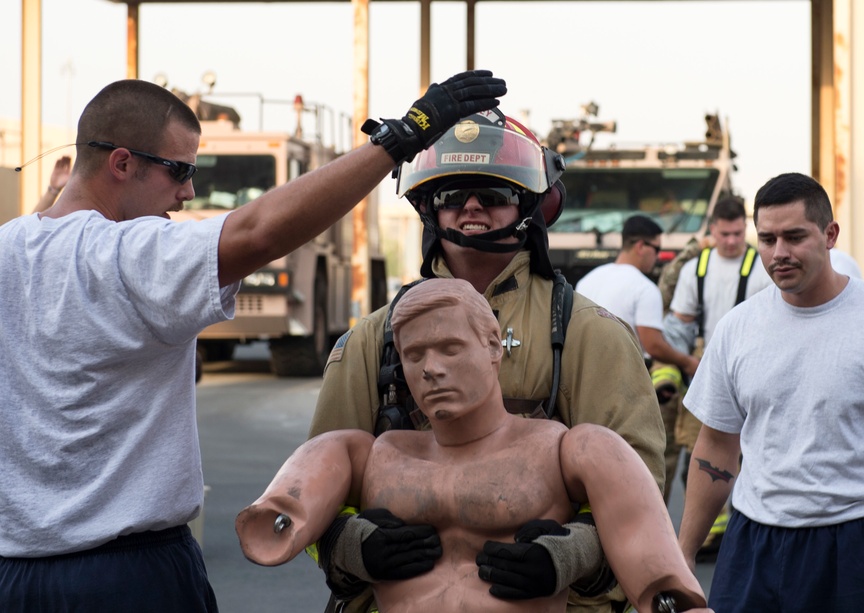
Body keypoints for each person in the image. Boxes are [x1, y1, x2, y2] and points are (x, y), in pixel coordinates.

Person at [0, 70, 506, 612]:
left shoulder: (8, 249)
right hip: (125, 576)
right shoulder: (126, 253)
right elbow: (258, 231)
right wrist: (404, 135)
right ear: (122, 163)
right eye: (179, 171)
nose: (188, 191)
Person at [309, 108, 667, 613]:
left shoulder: (590, 334)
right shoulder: (372, 340)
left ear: (528, 205)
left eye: (494, 195)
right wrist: (353, 545)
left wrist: (571, 555)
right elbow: (316, 485)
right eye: (452, 195)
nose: (471, 207)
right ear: (430, 208)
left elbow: (640, 486)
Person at [239, 279, 711, 613]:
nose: (430, 369)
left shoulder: (572, 450)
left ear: (493, 347)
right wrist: (347, 546)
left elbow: (659, 574)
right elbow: (276, 523)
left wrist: (573, 553)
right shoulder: (366, 454)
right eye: (414, 355)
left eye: (449, 348)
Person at [677, 172, 864, 613]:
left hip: (860, 548)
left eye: (795, 237)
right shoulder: (737, 329)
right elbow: (716, 446)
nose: (779, 253)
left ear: (830, 234)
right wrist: (681, 556)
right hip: (753, 545)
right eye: (768, 239)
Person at [656, 196, 772, 543]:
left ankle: (745, 524)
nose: (733, 241)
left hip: (756, 358)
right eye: (725, 234)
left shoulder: (762, 266)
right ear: (712, 231)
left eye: (738, 233)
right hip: (708, 361)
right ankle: (711, 532)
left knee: (753, 447)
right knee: (705, 445)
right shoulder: (697, 269)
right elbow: (680, 325)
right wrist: (676, 368)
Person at [575, 214, 700, 380]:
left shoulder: (586, 280)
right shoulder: (645, 288)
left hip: (582, 375)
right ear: (641, 246)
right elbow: (654, 346)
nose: (657, 257)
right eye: (656, 249)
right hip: (619, 379)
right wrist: (687, 362)